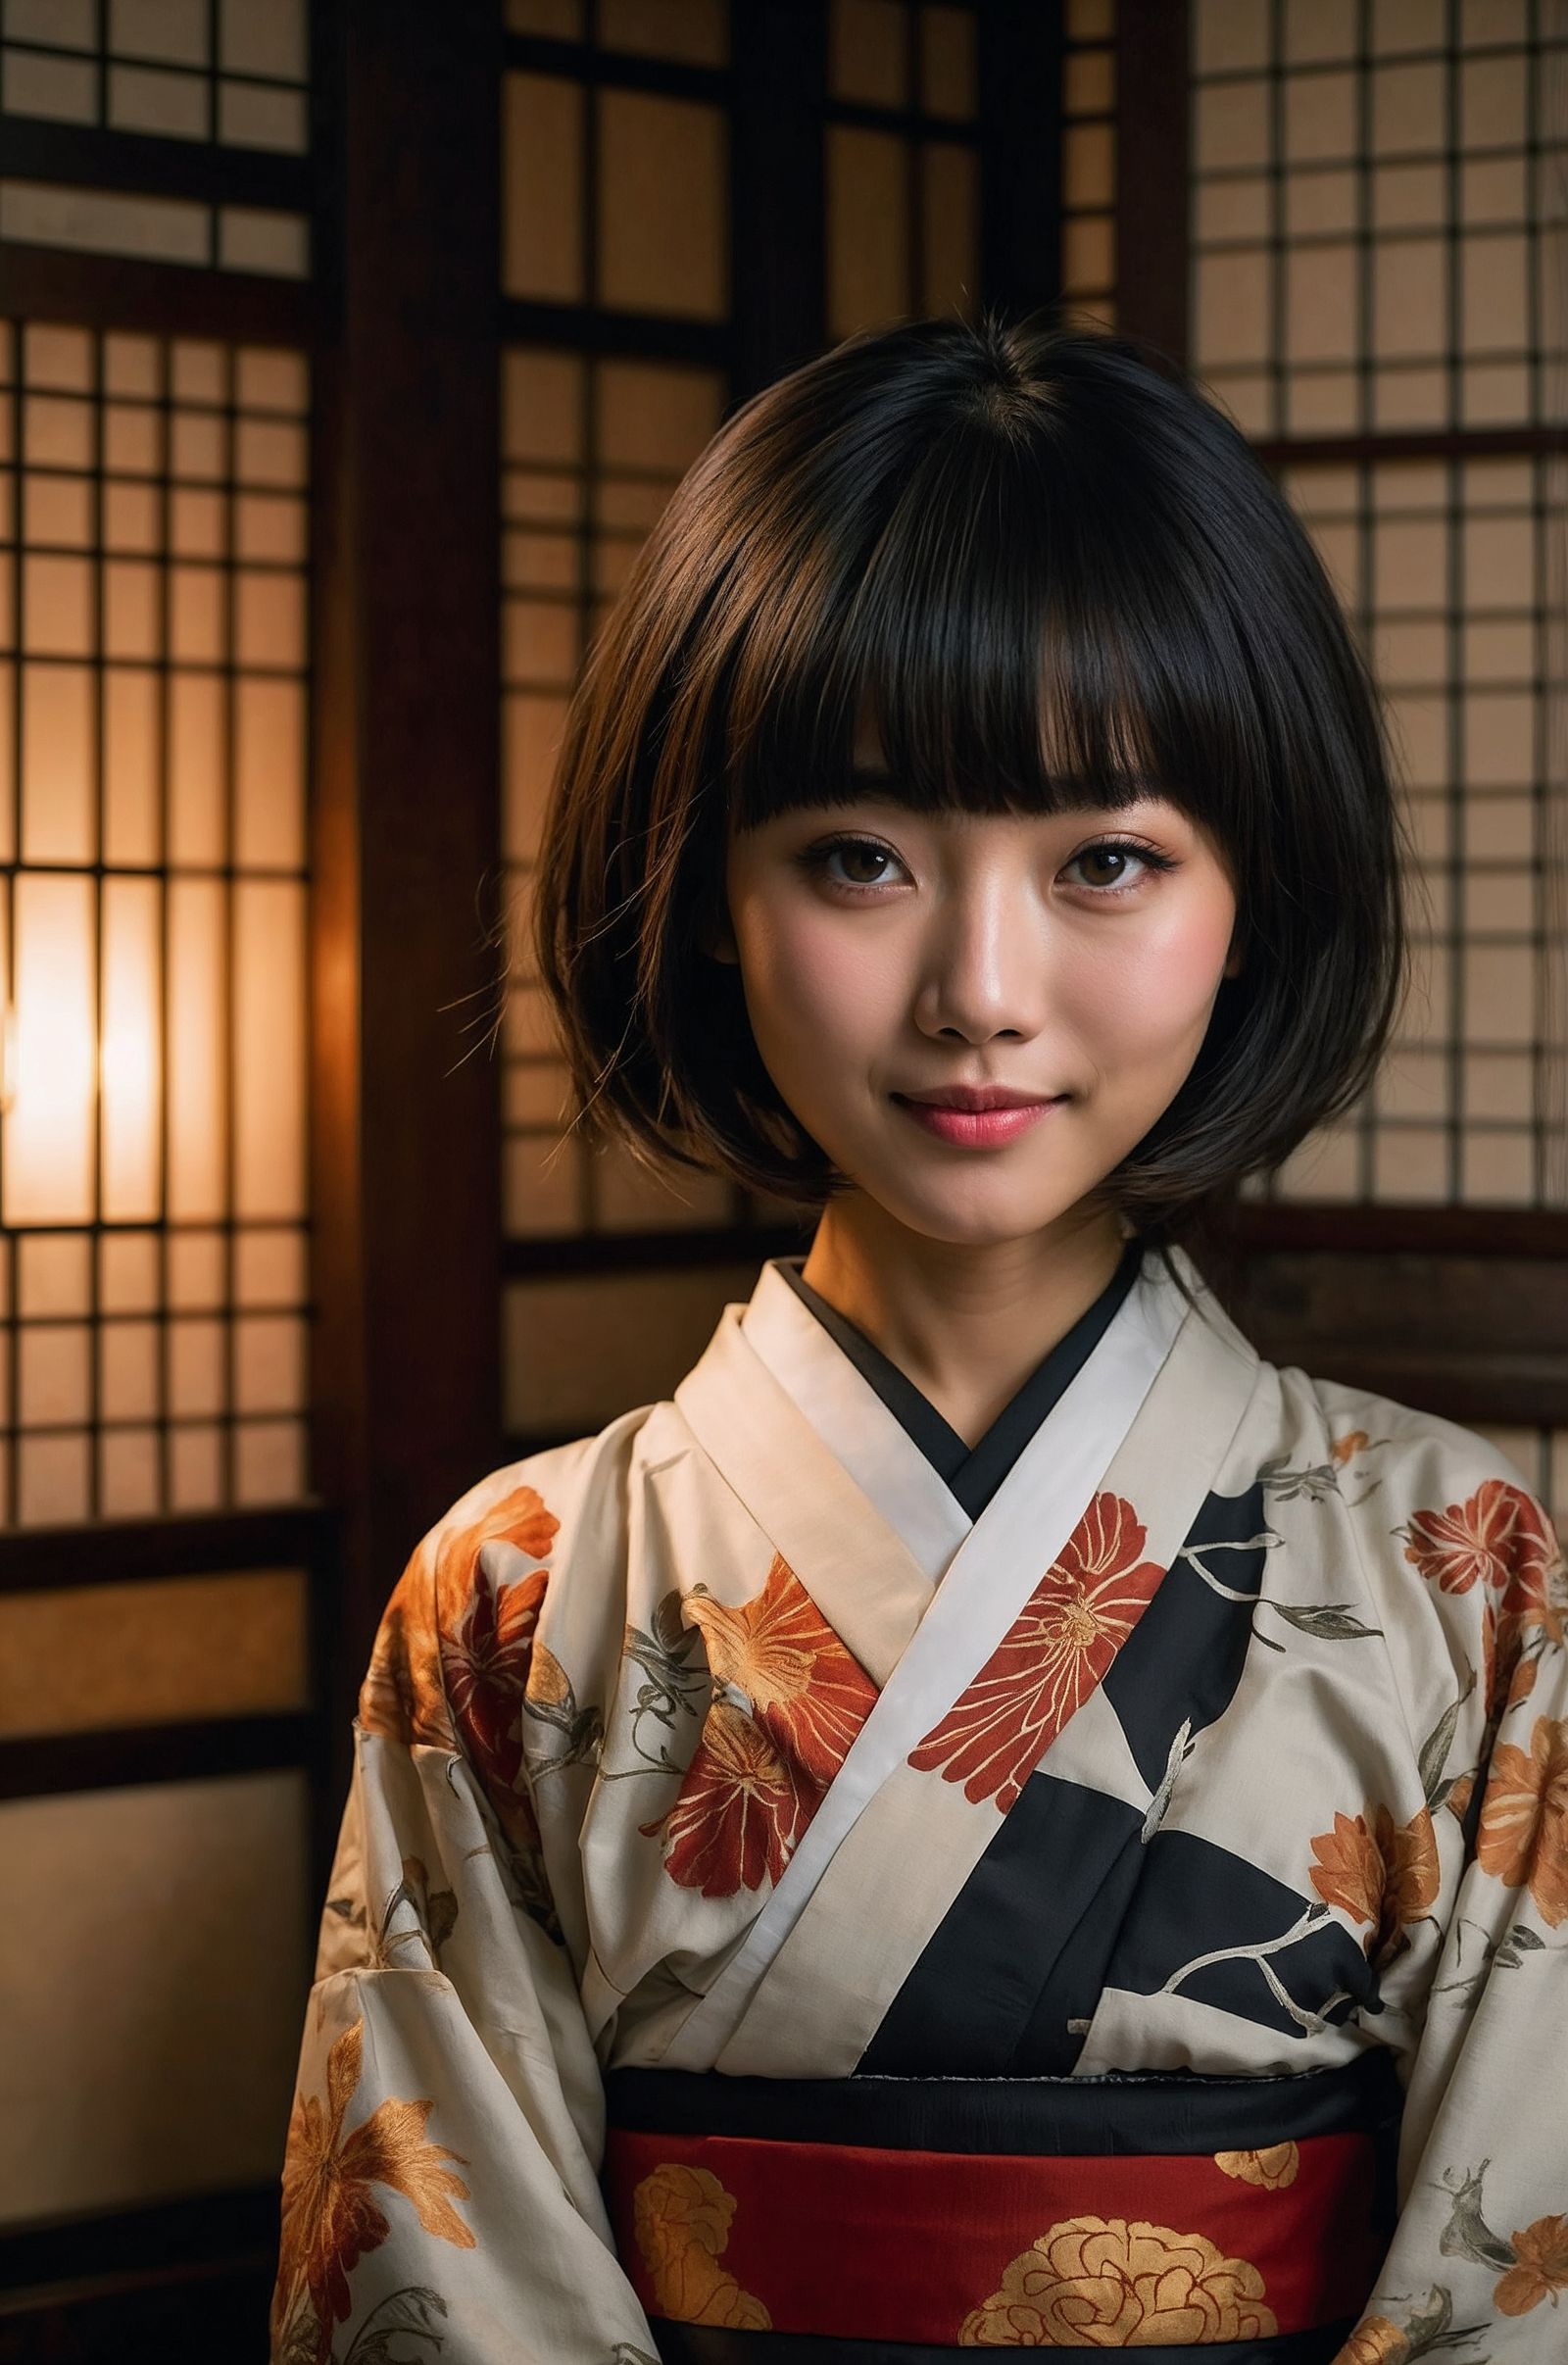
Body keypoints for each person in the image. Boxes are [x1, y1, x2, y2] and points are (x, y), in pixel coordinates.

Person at [269, 316, 1568, 2365]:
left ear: (1253, 893)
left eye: (1105, 860)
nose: (979, 987)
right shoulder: (518, 1592)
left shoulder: (1459, 1570)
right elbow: (447, 2291)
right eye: (857, 856)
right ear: (707, 887)